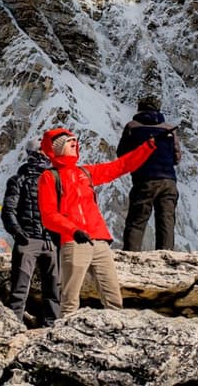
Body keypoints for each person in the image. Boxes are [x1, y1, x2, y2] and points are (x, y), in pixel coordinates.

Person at [38, 127, 157, 316]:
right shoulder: (50, 177)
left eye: (74, 142)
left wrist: (149, 146)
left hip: (99, 241)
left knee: (113, 298)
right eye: (69, 143)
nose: (74, 144)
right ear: (58, 148)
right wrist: (73, 230)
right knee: (70, 300)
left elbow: (121, 166)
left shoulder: (85, 172)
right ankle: (64, 340)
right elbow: (49, 215)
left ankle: (116, 334)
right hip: (74, 241)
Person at [2, 138, 60, 326]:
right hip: (29, 240)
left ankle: (51, 327)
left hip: (50, 240)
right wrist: (19, 233)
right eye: (44, 151)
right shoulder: (18, 180)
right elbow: (8, 211)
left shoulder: (55, 180)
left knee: (54, 288)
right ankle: (14, 326)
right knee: (20, 288)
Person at [117, 95, 180, 251]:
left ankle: (131, 255)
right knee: (166, 220)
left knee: (137, 220)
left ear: (139, 108)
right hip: (168, 180)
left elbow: (122, 153)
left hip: (144, 179)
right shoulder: (169, 129)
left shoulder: (132, 127)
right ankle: (166, 256)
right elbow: (177, 157)